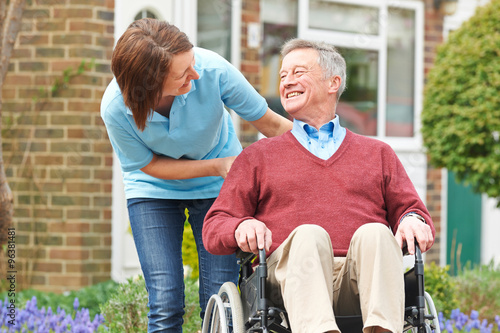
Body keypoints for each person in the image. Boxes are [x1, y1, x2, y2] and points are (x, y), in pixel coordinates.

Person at [203, 38, 435, 333]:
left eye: (298, 72)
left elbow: (413, 210)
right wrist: (240, 227)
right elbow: (214, 225)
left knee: (376, 233)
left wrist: (412, 220)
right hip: (288, 283)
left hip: (357, 280)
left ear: (333, 82)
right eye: (283, 76)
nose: (287, 82)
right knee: (309, 235)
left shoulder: (378, 154)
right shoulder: (257, 157)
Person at [100, 18, 292, 332]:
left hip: (217, 188)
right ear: (149, 84)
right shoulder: (115, 108)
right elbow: (148, 165)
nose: (196, 74)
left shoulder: (213, 70)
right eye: (183, 73)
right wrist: (219, 165)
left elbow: (271, 125)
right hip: (153, 191)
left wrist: (327, 147)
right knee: (165, 303)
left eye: (192, 62)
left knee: (220, 300)